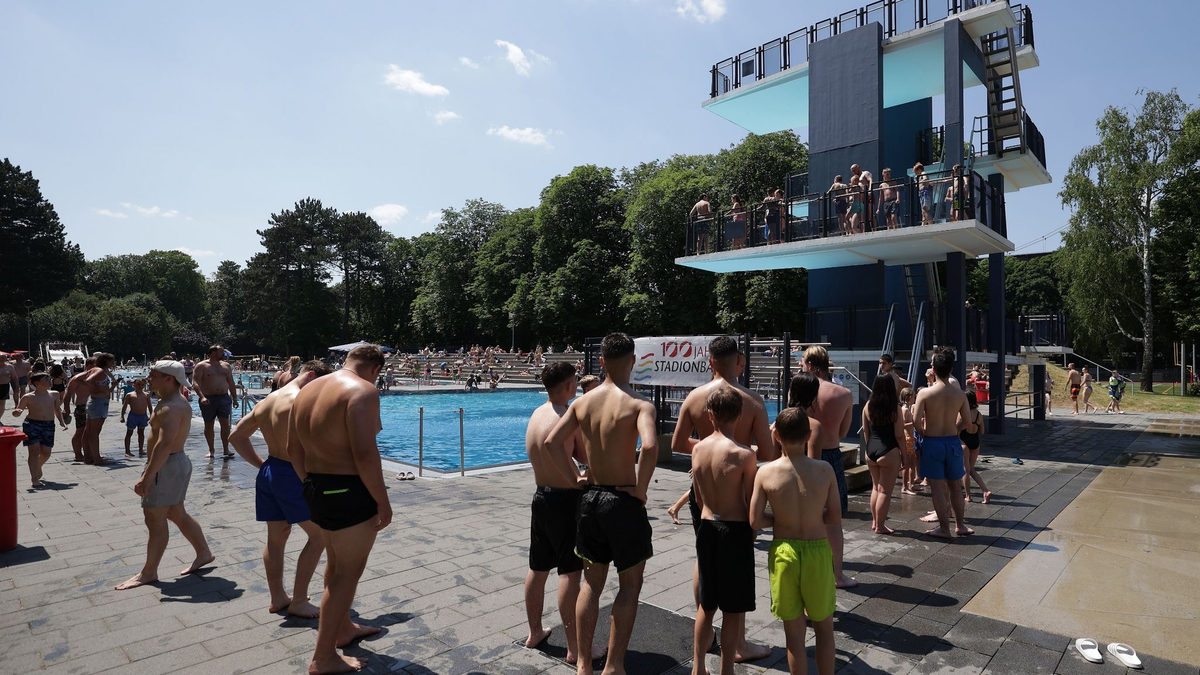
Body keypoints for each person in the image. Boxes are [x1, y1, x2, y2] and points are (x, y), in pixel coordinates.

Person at [543, 333, 657, 675]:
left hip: (590, 499)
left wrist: (574, 476)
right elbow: (650, 447)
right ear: (633, 361)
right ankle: (614, 665)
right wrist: (640, 489)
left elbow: (552, 442)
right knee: (629, 585)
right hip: (622, 501)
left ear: (602, 362)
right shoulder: (640, 404)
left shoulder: (582, 403)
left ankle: (582, 664)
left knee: (591, 584)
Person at [668, 336, 775, 663]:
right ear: (738, 361)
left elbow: (676, 443)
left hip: (705, 497)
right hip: (739, 498)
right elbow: (768, 454)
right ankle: (738, 643)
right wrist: (737, 456)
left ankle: (706, 636)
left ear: (710, 361)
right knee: (736, 579)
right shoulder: (752, 401)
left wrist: (707, 454)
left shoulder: (695, 397)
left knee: (705, 559)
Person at [290, 344, 389, 675]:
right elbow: (364, 454)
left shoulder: (308, 388)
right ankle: (323, 658)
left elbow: (293, 449)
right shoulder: (363, 391)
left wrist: (311, 484)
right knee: (348, 572)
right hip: (348, 491)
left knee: (335, 562)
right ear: (375, 368)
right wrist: (382, 501)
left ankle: (344, 628)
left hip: (316, 486)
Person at [230, 359, 333, 619]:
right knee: (319, 536)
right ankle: (299, 600)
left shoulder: (269, 400)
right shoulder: (301, 401)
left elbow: (236, 437)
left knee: (276, 538)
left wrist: (261, 465)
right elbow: (306, 447)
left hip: (271, 472)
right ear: (310, 376)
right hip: (293, 474)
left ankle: (278, 597)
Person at [522, 362, 604, 666]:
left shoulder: (536, 414)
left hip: (541, 497)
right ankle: (574, 647)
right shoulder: (565, 418)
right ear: (570, 386)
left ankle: (534, 632)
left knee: (538, 567)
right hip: (565, 502)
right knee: (570, 573)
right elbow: (584, 457)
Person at [750, 408, 839, 675]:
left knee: (794, 636)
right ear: (808, 435)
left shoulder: (766, 473)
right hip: (816, 551)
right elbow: (834, 515)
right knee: (824, 629)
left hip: (783, 553)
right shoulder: (824, 470)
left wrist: (781, 520)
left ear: (776, 435)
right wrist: (811, 516)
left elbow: (754, 520)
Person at [116, 360, 215, 591]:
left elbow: (164, 444)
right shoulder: (168, 400)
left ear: (169, 379)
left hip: (166, 465)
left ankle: (148, 573)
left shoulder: (172, 406)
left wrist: (148, 476)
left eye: (153, 375)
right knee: (175, 511)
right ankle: (204, 552)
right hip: (172, 464)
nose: (148, 378)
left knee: (154, 518)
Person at [689, 386, 758, 675]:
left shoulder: (698, 449)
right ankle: (726, 669)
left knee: (707, 603)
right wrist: (752, 533)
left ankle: (698, 666)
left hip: (707, 527)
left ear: (710, 415)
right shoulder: (744, 455)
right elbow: (751, 503)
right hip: (734, 531)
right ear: (740, 416)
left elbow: (699, 497)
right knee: (733, 609)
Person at [800, 346, 856, 588]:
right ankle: (838, 575)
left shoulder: (801, 391)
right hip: (831, 456)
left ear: (811, 365)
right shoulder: (843, 393)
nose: (801, 367)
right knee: (833, 519)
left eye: (802, 363)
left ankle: (806, 571)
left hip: (801, 455)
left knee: (802, 514)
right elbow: (843, 432)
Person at [913, 347, 974, 539]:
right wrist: (955, 428)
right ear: (951, 369)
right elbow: (968, 422)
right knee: (956, 486)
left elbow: (916, 420)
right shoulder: (960, 394)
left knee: (937, 488)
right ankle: (961, 525)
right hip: (952, 441)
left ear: (934, 369)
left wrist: (923, 432)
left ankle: (944, 528)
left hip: (932, 441)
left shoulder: (925, 394)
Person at [861, 373, 904, 535]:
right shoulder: (895, 408)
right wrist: (905, 456)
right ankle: (880, 526)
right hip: (888, 450)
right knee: (885, 491)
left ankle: (875, 521)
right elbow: (899, 435)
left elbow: (866, 430)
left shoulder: (868, 405)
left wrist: (869, 448)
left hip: (871, 449)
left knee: (875, 488)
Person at [11, 373, 68, 488]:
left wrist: (62, 421)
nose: (49, 380)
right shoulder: (28, 397)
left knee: (46, 452)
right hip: (32, 424)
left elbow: (56, 409)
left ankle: (37, 467)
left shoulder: (54, 394)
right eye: (46, 379)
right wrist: (17, 412)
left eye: (49, 378)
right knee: (34, 451)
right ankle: (34, 479)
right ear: (37, 383)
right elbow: (18, 411)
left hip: (48, 425)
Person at [192, 345, 238, 459]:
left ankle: (226, 449)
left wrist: (235, 398)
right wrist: (201, 397)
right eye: (221, 352)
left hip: (223, 397)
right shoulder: (202, 366)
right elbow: (195, 383)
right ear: (213, 353)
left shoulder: (226, 366)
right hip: (208, 398)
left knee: (225, 423)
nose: (223, 354)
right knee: (209, 424)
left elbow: (231, 383)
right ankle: (211, 450)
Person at [82, 353, 115, 465]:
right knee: (94, 432)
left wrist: (110, 387)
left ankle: (88, 456)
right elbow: (88, 381)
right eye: (112, 361)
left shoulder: (94, 369)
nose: (113, 363)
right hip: (99, 403)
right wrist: (97, 389)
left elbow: (86, 379)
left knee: (88, 431)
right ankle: (97, 458)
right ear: (106, 361)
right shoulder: (100, 371)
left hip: (94, 402)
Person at [960, 392, 991, 504]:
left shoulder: (962, 414)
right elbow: (982, 432)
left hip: (964, 442)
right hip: (975, 442)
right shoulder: (979, 414)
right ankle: (985, 491)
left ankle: (968, 496)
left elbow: (956, 430)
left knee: (965, 470)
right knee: (971, 469)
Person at [120, 378, 152, 458]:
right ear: (134, 385)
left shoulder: (146, 395)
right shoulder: (130, 395)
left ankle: (141, 449)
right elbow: (124, 406)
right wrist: (122, 416)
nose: (140, 386)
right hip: (133, 416)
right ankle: (127, 451)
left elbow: (149, 406)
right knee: (129, 433)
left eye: (142, 385)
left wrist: (152, 415)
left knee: (141, 433)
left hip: (143, 416)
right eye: (138, 384)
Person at [899, 387, 919, 495]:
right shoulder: (905, 409)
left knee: (913, 462)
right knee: (907, 463)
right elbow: (902, 425)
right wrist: (914, 423)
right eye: (913, 396)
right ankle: (904, 487)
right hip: (907, 438)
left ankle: (911, 484)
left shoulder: (907, 408)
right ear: (909, 397)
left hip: (910, 437)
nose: (914, 398)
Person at [0, 354, 15, 423]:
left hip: (5, 386)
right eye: (0, 357)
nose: (1, 359)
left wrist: (16, 387)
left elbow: (14, 377)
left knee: (2, 404)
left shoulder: (10, 367)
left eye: (3, 358)